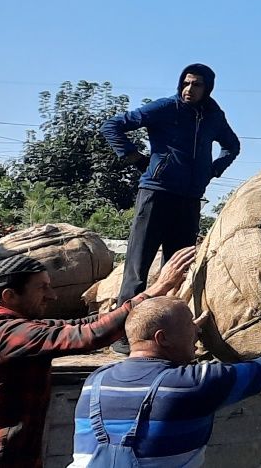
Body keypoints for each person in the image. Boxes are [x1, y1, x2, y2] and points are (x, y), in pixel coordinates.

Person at [70, 294, 261, 468]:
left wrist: (181, 332)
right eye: (190, 325)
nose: (197, 330)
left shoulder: (96, 381)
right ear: (162, 339)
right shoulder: (193, 384)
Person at [0, 248, 195, 468]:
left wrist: (133, 306)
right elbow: (90, 335)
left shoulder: (19, 327)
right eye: (42, 287)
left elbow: (80, 324)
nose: (52, 295)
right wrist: (157, 289)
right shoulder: (7, 333)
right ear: (10, 296)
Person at [101, 64, 240, 316]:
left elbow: (232, 146)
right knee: (137, 266)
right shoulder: (166, 108)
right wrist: (136, 158)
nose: (189, 89)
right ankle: (121, 330)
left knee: (178, 267)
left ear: (207, 88)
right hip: (157, 192)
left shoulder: (213, 116)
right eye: (186, 83)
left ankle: (163, 328)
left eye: (196, 84)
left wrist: (211, 170)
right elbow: (112, 125)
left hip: (189, 199)